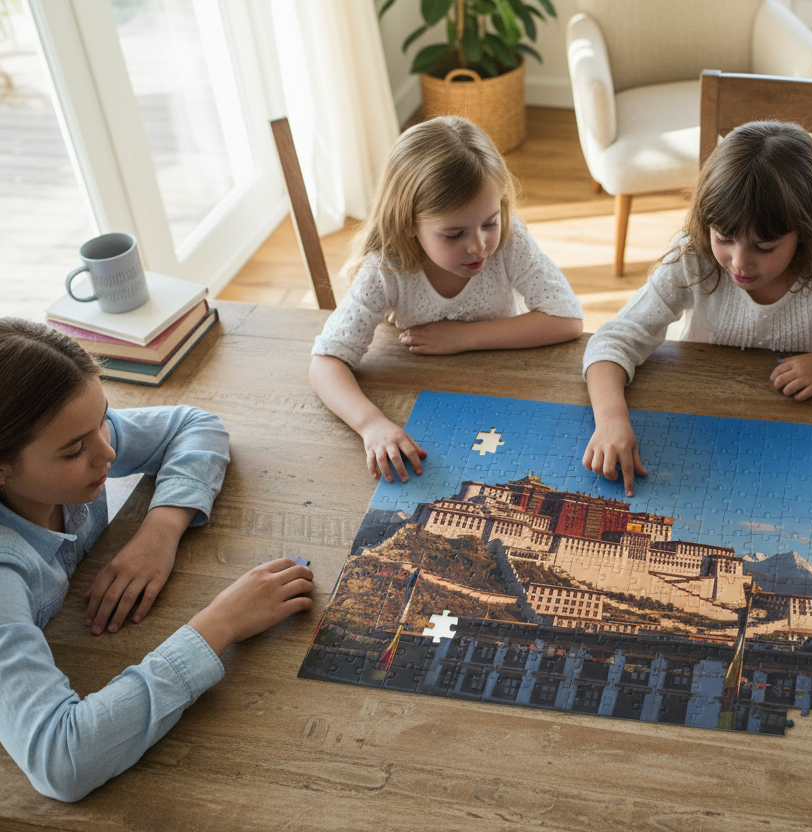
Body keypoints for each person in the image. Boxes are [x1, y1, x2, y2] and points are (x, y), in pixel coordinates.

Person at [0, 319, 314, 802]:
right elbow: (63, 761)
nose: (107, 452)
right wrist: (219, 624)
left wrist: (161, 529)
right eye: (75, 450)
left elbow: (195, 424)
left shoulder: (73, 437)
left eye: (103, 418)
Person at [582, 120, 812, 496]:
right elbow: (612, 340)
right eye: (724, 238)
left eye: (764, 247)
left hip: (811, 441)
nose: (739, 263)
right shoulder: (692, 257)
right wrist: (611, 419)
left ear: (807, 228)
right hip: (705, 431)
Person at [310, 116, 583, 483]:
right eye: (453, 234)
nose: (479, 245)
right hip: (424, 399)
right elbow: (326, 361)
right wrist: (372, 425)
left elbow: (567, 319)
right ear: (409, 223)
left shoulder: (509, 241)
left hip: (509, 385)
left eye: (490, 221)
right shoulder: (386, 269)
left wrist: (462, 337)